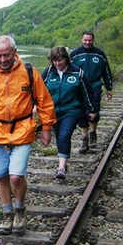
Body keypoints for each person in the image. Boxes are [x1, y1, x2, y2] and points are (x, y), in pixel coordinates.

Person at [0, 35, 56, 235]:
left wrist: (47, 127)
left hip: (23, 130)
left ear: (14, 53)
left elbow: (44, 100)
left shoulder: (29, 72)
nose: (2, 59)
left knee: (15, 176)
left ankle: (20, 208)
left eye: (6, 55)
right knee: (0, 175)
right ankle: (7, 213)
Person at [41, 46, 97, 179]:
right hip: (53, 112)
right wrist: (34, 106)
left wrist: (92, 109)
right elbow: (39, 91)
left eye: (60, 60)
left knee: (64, 136)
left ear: (66, 59)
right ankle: (64, 163)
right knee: (60, 136)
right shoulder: (48, 72)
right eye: (55, 61)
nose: (58, 63)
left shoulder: (77, 72)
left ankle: (61, 167)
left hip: (71, 110)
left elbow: (87, 92)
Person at [70, 30, 113, 153]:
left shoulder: (100, 54)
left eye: (89, 40)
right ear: (81, 39)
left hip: (95, 86)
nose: (87, 42)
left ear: (93, 40)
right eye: (85, 40)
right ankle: (84, 138)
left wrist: (109, 88)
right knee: (81, 113)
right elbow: (67, 72)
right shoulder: (75, 54)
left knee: (93, 111)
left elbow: (106, 72)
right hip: (79, 88)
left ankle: (93, 132)